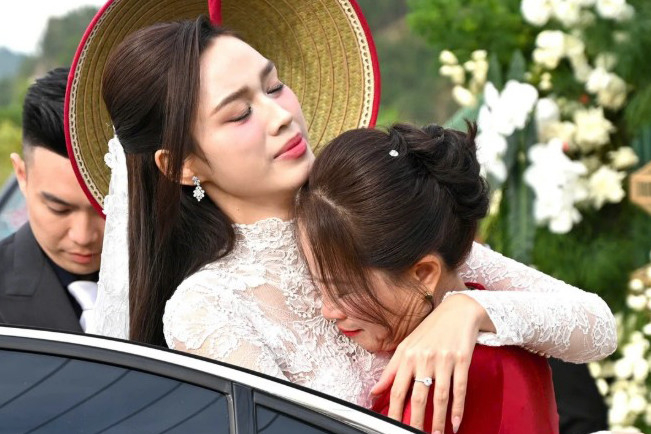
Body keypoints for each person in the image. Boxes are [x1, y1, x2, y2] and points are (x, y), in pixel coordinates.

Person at [66, 5, 616, 433]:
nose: (281, 115)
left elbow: (595, 324)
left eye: (275, 85)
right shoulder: (208, 308)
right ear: (181, 165)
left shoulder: (364, 206)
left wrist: (469, 310)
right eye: (240, 113)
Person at [295, 122, 559, 433]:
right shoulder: (506, 326)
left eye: (344, 289)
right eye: (320, 287)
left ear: (424, 274)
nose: (328, 310)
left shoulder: (434, 386)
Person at [0, 67, 105, 333]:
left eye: (104, 209)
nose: (83, 236)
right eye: (59, 209)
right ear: (22, 176)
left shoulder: (180, 282)